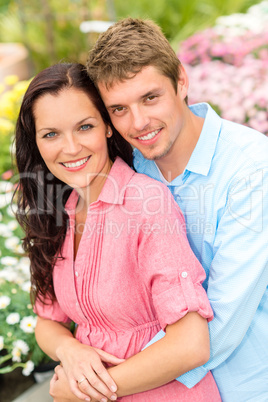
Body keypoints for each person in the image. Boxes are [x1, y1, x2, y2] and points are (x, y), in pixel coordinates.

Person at [85, 18, 268, 402]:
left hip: (243, 386)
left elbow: (225, 318)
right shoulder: (130, 168)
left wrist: (108, 383)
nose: (138, 123)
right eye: (119, 108)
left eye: (150, 97)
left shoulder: (251, 168)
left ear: (181, 81)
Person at [14, 62, 221, 402]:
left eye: (84, 127)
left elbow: (191, 345)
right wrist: (70, 350)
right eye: (51, 134)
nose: (70, 147)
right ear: (35, 142)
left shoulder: (145, 204)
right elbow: (47, 321)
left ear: (107, 128)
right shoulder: (58, 212)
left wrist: (87, 390)